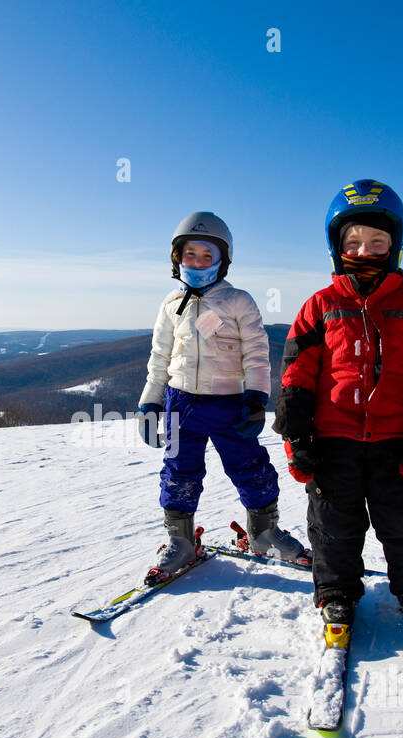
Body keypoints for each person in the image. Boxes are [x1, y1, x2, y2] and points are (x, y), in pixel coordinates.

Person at [272, 180, 403, 644]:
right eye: (353, 241)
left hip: (395, 439)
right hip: (333, 441)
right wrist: (297, 437)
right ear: (336, 246)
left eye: (378, 242)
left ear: (395, 246)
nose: (366, 250)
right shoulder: (321, 305)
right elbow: (296, 376)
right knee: (333, 524)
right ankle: (336, 591)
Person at [138, 211, 308, 584]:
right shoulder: (170, 304)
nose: (197, 262)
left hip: (230, 403)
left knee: (250, 465)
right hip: (180, 404)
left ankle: (263, 533)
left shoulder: (237, 301)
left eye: (206, 255)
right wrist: (150, 403)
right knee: (179, 471)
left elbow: (257, 353)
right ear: (176, 258)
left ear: (222, 259)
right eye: (189, 254)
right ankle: (179, 541)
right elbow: (160, 356)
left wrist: (255, 397)